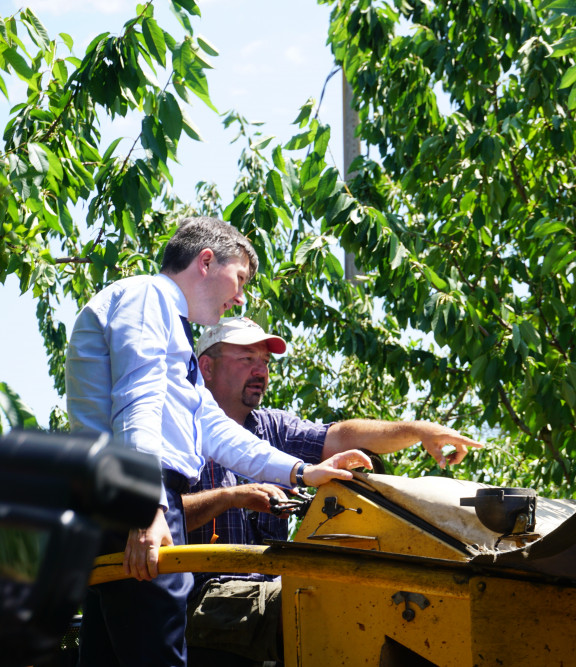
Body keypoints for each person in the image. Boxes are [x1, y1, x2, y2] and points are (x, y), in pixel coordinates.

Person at [65, 217, 372, 667]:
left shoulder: (170, 325)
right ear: (206, 261)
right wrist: (147, 508)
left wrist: (302, 471)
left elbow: (212, 428)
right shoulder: (149, 297)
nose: (241, 296)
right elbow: (136, 400)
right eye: (240, 278)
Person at [182, 316, 484, 665]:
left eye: (264, 361)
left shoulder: (271, 428)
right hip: (203, 600)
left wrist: (418, 431)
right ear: (206, 367)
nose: (260, 371)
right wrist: (229, 498)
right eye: (247, 358)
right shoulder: (178, 431)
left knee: (393, 596)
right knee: (340, 605)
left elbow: (341, 436)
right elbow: (154, 516)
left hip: (270, 594)